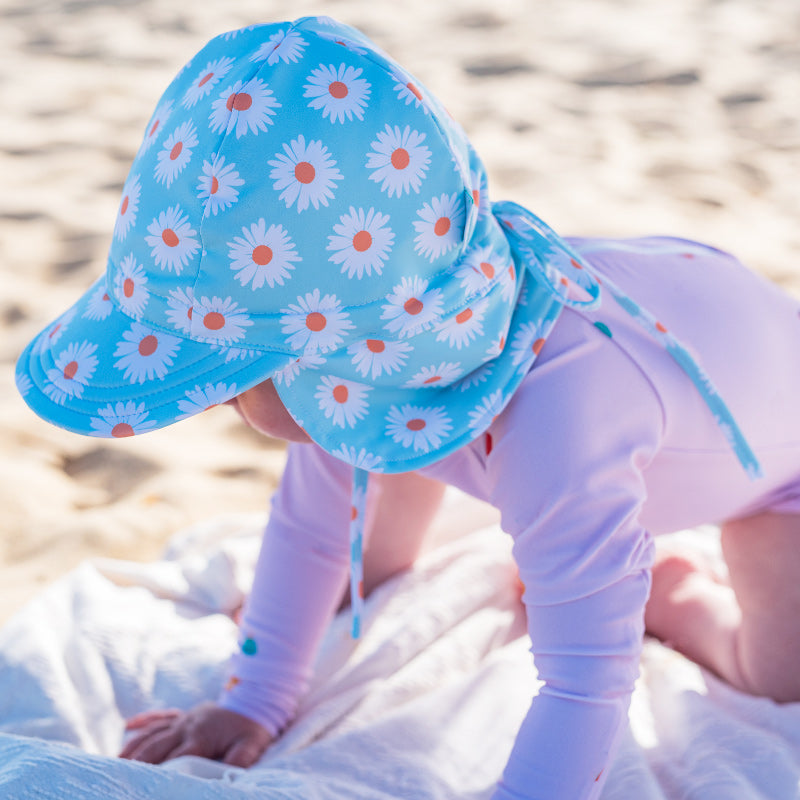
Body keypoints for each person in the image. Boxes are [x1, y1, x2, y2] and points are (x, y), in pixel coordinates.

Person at [14, 15, 800, 800]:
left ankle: (680, 597)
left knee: (778, 670)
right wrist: (252, 701)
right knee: (371, 560)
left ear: (340, 350)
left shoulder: (560, 423)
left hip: (778, 467)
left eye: (231, 382)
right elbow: (311, 528)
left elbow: (588, 683)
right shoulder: (379, 348)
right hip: (676, 326)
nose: (215, 406)